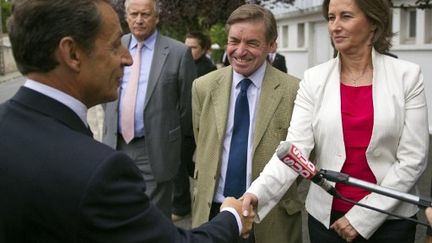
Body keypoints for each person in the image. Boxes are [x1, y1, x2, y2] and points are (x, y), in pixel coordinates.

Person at [0, 0, 255, 242]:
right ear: (72, 54)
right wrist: (231, 216)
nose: (128, 57)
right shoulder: (97, 171)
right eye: (113, 46)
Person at [242, 0, 429, 242]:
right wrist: (255, 194)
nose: (335, 26)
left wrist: (361, 218)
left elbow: (413, 158)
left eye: (346, 16)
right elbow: (295, 151)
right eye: (331, 18)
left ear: (373, 23)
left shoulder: (407, 76)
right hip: (327, 220)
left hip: (390, 221)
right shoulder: (313, 79)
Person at [192, 4, 303, 243]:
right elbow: (201, 141)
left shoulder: (294, 90)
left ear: (272, 45)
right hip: (213, 212)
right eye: (234, 41)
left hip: (270, 215)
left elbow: (301, 159)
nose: (240, 51)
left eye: (252, 43)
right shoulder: (203, 87)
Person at [102, 0, 196, 218]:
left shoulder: (178, 53)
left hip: (155, 147)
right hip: (116, 144)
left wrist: (175, 143)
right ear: (126, 16)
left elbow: (186, 106)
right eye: (133, 14)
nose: (139, 20)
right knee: (119, 209)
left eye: (145, 14)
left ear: (157, 17)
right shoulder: (114, 46)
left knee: (153, 215)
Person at [171, 31, 218, 222]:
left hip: (194, 126)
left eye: (193, 47)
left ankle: (181, 207)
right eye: (186, 46)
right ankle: (209, 180)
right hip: (182, 122)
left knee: (179, 163)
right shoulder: (184, 63)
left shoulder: (208, 69)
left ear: (204, 49)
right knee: (188, 164)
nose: (188, 50)